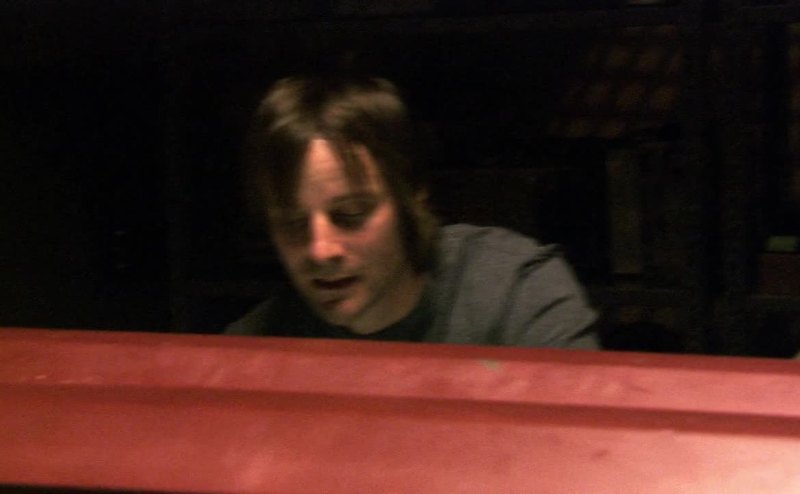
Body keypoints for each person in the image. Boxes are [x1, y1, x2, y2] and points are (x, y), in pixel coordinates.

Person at [226, 74, 599, 349]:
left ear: (412, 195)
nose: (321, 250)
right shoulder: (254, 348)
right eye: (292, 223)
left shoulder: (516, 294)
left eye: (351, 214)